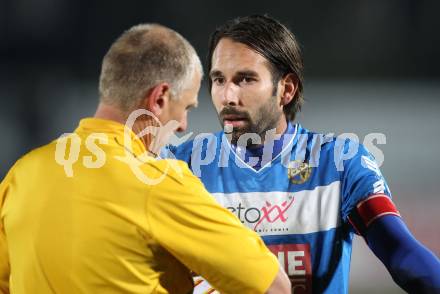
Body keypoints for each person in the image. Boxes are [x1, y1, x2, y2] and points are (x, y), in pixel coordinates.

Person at [0, 23, 292, 294]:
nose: (182, 125)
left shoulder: (22, 175)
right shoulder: (157, 181)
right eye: (186, 107)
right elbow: (274, 287)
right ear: (160, 98)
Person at [166, 15, 440, 293]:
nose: (228, 96)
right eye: (219, 80)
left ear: (286, 89)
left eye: (245, 79)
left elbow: (401, 254)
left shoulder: (339, 164)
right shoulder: (179, 166)